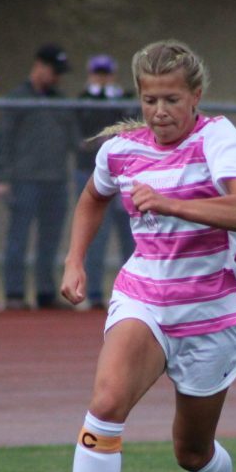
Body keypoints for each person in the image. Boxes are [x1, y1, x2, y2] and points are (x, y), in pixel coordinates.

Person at [49, 40, 236, 472]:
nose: (160, 111)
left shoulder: (217, 138)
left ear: (196, 97)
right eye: (150, 99)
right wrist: (75, 260)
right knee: (105, 405)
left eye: (172, 98)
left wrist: (171, 203)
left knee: (191, 452)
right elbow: (92, 199)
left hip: (210, 313)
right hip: (143, 297)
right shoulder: (121, 150)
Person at [0, 43, 80, 310]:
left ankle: (45, 292)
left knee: (50, 240)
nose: (56, 77)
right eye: (54, 71)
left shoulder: (61, 100)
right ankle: (14, 293)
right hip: (24, 180)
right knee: (18, 238)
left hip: (55, 181)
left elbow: (75, 140)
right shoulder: (17, 98)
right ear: (39, 66)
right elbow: (2, 140)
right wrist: (2, 177)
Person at [76, 53, 135, 309]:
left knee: (130, 235)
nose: (101, 78)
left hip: (124, 176)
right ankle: (94, 293)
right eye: (97, 73)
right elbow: (79, 136)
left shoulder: (123, 99)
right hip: (91, 173)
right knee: (95, 236)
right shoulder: (82, 101)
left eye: (106, 73)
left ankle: (133, 291)